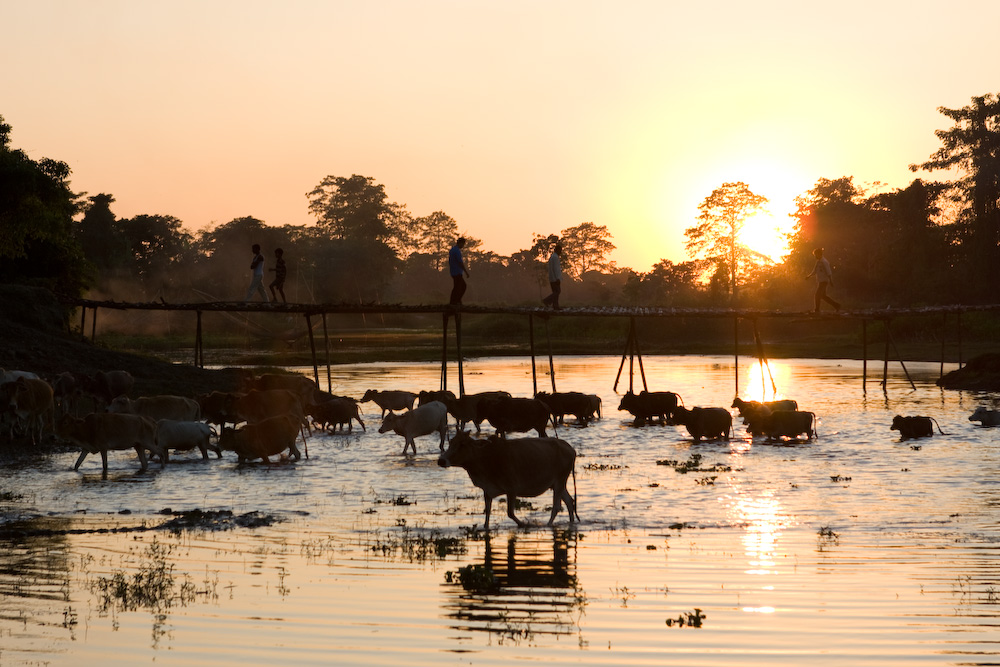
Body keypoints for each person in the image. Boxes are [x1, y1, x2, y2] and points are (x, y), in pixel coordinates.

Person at [806, 247, 840, 313]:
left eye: (815, 255)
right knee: (823, 296)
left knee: (817, 295)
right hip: (820, 281)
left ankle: (817, 310)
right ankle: (837, 305)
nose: (815, 256)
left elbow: (828, 272)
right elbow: (815, 271)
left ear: (819, 254)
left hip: (824, 281)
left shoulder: (824, 262)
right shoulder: (818, 262)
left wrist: (830, 281)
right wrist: (809, 276)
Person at [448, 237, 470, 306]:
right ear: (460, 243)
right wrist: (466, 272)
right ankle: (456, 301)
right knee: (462, 286)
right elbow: (460, 262)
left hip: (453, 271)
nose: (463, 246)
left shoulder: (452, 250)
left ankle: (455, 301)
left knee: (457, 287)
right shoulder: (457, 251)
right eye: (463, 244)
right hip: (457, 272)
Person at [542, 242, 562, 310]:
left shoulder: (552, 257)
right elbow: (555, 269)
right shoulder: (555, 257)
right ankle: (547, 300)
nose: (561, 252)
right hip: (555, 278)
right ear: (557, 250)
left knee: (555, 292)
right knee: (557, 291)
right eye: (560, 251)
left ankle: (555, 306)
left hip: (552, 278)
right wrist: (557, 278)